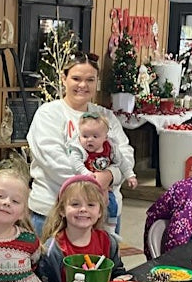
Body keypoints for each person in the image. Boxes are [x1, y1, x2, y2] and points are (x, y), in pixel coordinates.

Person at [27, 51, 137, 239]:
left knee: (101, 266)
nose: (83, 85)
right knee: (52, 267)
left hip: (101, 213)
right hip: (53, 212)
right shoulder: (48, 114)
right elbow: (53, 162)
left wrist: (110, 175)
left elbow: (125, 154)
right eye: (76, 78)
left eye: (90, 80)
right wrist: (95, 181)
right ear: (64, 78)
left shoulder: (106, 116)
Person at [37, 174, 127, 282]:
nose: (83, 209)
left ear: (100, 211)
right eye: (75, 204)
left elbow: (117, 272)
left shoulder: (108, 242)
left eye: (91, 205)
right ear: (62, 210)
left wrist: (121, 281)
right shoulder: (52, 250)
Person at [68, 112, 138, 236]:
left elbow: (122, 162)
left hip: (104, 187)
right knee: (88, 209)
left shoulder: (110, 148)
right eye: (85, 136)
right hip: (84, 188)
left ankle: (110, 230)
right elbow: (75, 163)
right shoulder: (78, 149)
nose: (89, 140)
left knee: (111, 204)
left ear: (105, 137)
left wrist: (130, 175)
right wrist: (86, 173)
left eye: (95, 136)